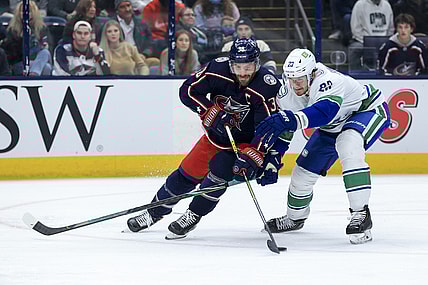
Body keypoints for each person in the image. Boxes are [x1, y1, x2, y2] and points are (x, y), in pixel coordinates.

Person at [126, 37, 282, 240]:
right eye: (238, 67)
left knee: (217, 176)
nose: (243, 73)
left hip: (242, 146)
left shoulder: (267, 85)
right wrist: (209, 111)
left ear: (257, 63)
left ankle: (192, 215)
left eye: (249, 67)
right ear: (230, 63)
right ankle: (153, 212)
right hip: (214, 139)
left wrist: (255, 153)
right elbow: (187, 91)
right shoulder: (217, 70)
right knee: (184, 176)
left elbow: (268, 126)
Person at [255, 48, 391, 244]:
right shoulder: (286, 93)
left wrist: (291, 119)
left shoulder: (327, 80)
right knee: (302, 172)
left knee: (349, 145)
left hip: (366, 110)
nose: (296, 84)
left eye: (300, 79)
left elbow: (325, 111)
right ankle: (295, 218)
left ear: (312, 73)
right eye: (291, 79)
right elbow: (285, 130)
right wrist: (274, 158)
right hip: (333, 125)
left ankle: (361, 213)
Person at [1, 0, 53, 76]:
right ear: (18, 13)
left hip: (39, 59)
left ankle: (33, 74)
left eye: (29, 12)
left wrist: (45, 46)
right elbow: (10, 55)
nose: (26, 14)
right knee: (46, 68)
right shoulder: (13, 30)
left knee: (45, 52)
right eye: (22, 11)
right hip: (21, 63)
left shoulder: (42, 28)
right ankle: (34, 75)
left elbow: (50, 49)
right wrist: (21, 39)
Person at [348, 0, 394, 71]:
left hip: (384, 42)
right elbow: (355, 29)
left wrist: (386, 42)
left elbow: (391, 29)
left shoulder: (386, 5)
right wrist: (367, 42)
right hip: (363, 42)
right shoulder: (360, 4)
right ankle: (356, 75)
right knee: (355, 48)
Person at [113, 0, 159, 69]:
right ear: (117, 11)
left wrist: (144, 54)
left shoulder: (141, 22)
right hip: (120, 58)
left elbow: (150, 43)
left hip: (139, 56)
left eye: (128, 5)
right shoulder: (111, 24)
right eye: (122, 7)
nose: (127, 9)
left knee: (155, 62)